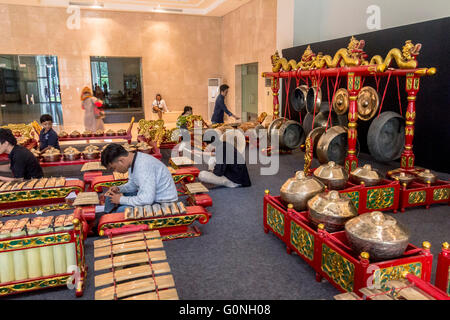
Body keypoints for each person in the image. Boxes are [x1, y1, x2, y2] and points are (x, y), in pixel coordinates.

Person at [101, 144, 178, 213]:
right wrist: (119, 189)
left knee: (121, 211)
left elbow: (147, 199)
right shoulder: (135, 159)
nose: (115, 171)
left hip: (164, 203)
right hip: (152, 196)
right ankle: (107, 215)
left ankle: (109, 221)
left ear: (121, 160)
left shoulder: (143, 167)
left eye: (114, 168)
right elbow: (133, 185)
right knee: (112, 196)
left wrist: (120, 200)